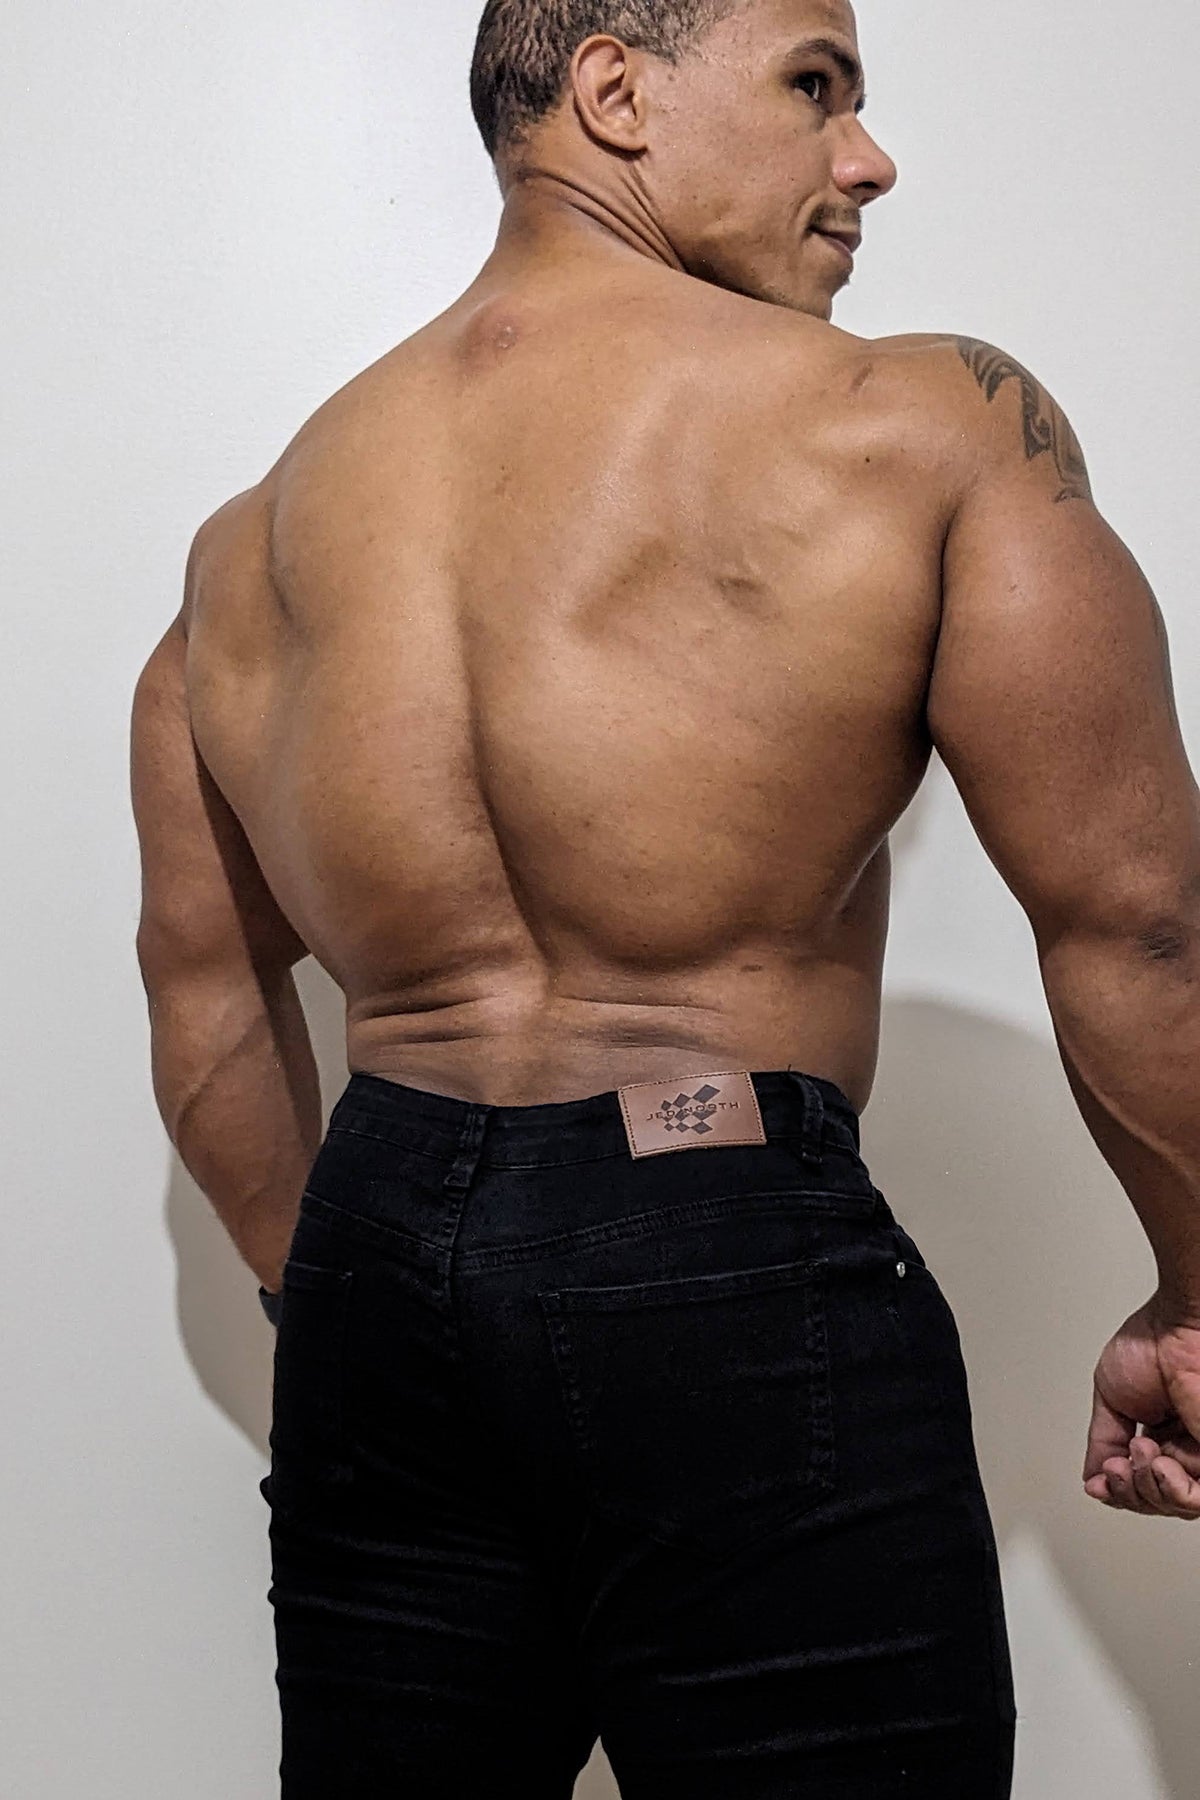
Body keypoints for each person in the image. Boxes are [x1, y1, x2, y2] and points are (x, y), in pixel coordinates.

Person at [129, 0, 1200, 1791]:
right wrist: (1194, 1291)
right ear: (615, 92)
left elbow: (208, 995)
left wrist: (338, 1314)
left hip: (371, 1262)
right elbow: (1141, 917)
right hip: (721, 1223)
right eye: (814, 87)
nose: (867, 160)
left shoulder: (252, 538)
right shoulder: (919, 424)